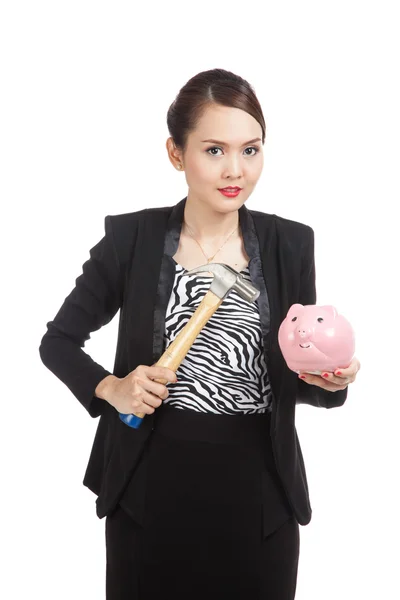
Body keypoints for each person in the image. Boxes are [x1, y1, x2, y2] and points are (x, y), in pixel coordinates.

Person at [39, 68, 360, 600]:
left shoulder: (288, 245)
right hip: (150, 482)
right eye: (214, 150)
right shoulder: (132, 239)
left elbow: (291, 377)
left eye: (251, 150)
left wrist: (328, 380)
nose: (236, 169)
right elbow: (57, 341)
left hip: (259, 487)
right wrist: (111, 387)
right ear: (175, 153)